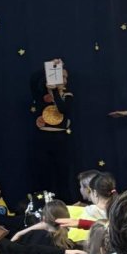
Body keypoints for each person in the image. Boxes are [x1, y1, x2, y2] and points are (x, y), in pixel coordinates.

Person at [30, 61, 73, 199]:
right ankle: (42, 204)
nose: (65, 80)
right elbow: (33, 80)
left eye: (66, 77)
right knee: (42, 174)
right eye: (62, 76)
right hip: (42, 138)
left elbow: (63, 109)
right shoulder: (40, 95)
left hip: (60, 138)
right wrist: (48, 67)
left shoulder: (67, 95)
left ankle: (65, 203)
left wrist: (54, 90)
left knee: (62, 174)